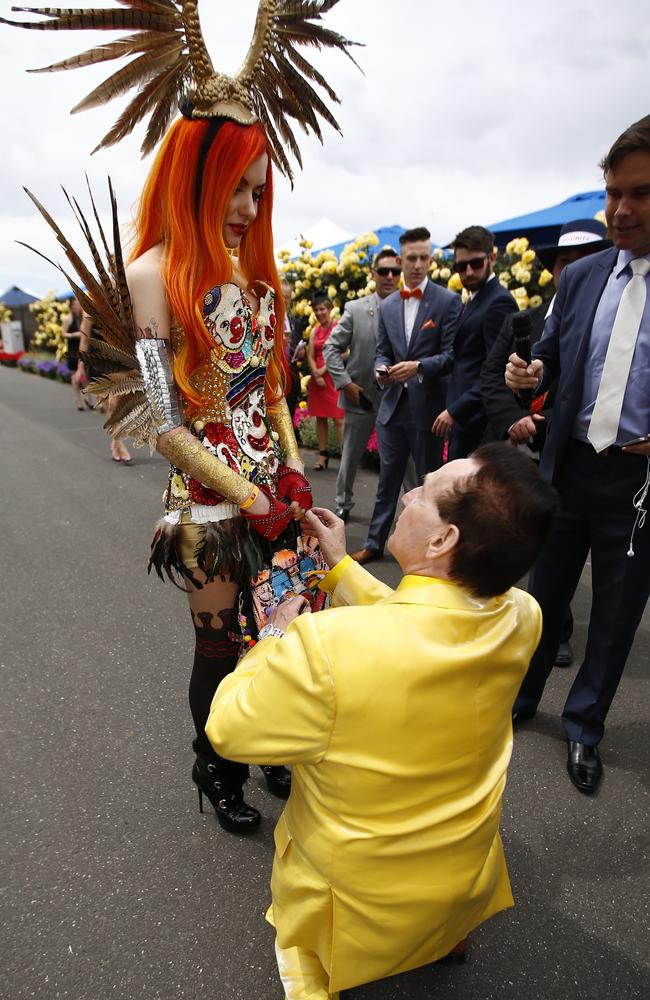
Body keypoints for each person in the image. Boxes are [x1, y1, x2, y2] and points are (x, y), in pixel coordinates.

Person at [5, 0, 357, 832]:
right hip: (209, 503)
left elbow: (273, 386)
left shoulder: (259, 268)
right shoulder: (155, 273)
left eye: (257, 190)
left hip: (276, 490)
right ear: (194, 174)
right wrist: (246, 492)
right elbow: (165, 423)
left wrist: (299, 469)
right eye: (234, 187)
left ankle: (268, 746)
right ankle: (216, 770)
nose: (246, 205)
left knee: (283, 636)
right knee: (218, 646)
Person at [206, 443, 558, 1000]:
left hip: (357, 893)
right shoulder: (522, 613)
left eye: (426, 489)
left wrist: (273, 635)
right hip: (463, 870)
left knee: (312, 955)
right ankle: (446, 937)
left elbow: (228, 728)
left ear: (443, 541)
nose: (409, 492)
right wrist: (340, 567)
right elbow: (418, 618)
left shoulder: (324, 646)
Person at [506, 115, 650, 794]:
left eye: (641, 193)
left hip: (639, 487)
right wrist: (526, 375)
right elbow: (549, 360)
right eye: (614, 193)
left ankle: (584, 726)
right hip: (569, 470)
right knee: (544, 598)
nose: (621, 210)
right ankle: (521, 699)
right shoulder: (584, 275)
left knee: (616, 617)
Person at [480, 218, 611, 668]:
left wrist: (544, 422)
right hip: (516, 449)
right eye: (563, 263)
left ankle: (555, 631)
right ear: (554, 271)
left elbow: (597, 395)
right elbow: (492, 375)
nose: (572, 269)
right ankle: (508, 620)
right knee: (511, 535)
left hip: (566, 450)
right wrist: (515, 419)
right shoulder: (526, 319)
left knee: (557, 547)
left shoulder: (610, 322)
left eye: (585, 260)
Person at [351, 226, 461, 564]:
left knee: (429, 483)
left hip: (428, 408)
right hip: (393, 407)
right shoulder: (387, 306)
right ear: (401, 260)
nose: (417, 264)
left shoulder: (447, 301)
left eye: (423, 258)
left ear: (430, 259)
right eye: (411, 258)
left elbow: (452, 355)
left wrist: (418, 366)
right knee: (387, 482)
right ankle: (374, 543)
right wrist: (382, 370)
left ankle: (429, 548)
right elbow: (382, 352)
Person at [323, 246, 401, 521]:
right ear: (373, 274)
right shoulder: (356, 309)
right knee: (351, 455)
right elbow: (330, 348)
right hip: (361, 394)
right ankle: (342, 503)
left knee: (403, 460)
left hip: (397, 397)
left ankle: (412, 510)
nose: (390, 276)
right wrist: (345, 384)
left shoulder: (408, 307)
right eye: (384, 271)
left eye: (395, 271)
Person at [433, 226, 517, 459]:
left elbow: (497, 371)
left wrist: (456, 411)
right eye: (461, 266)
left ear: (492, 258)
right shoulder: (476, 298)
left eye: (476, 263)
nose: (468, 272)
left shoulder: (499, 302)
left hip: (479, 423)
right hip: (465, 421)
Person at [306, 294, 344, 470]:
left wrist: (323, 370)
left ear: (330, 309)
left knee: (338, 418)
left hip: (334, 376)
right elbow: (310, 354)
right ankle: (323, 455)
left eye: (322, 309)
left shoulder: (339, 327)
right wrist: (315, 372)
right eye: (316, 310)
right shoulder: (315, 330)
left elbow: (346, 352)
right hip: (318, 379)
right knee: (320, 418)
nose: (319, 313)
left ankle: (346, 457)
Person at [61, 297, 88, 411]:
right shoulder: (68, 319)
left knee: (86, 376)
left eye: (78, 304)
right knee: (75, 376)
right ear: (71, 306)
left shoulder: (84, 318)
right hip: (73, 350)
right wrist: (74, 335)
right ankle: (78, 400)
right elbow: (63, 334)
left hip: (83, 349)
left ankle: (89, 398)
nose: (77, 307)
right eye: (75, 305)